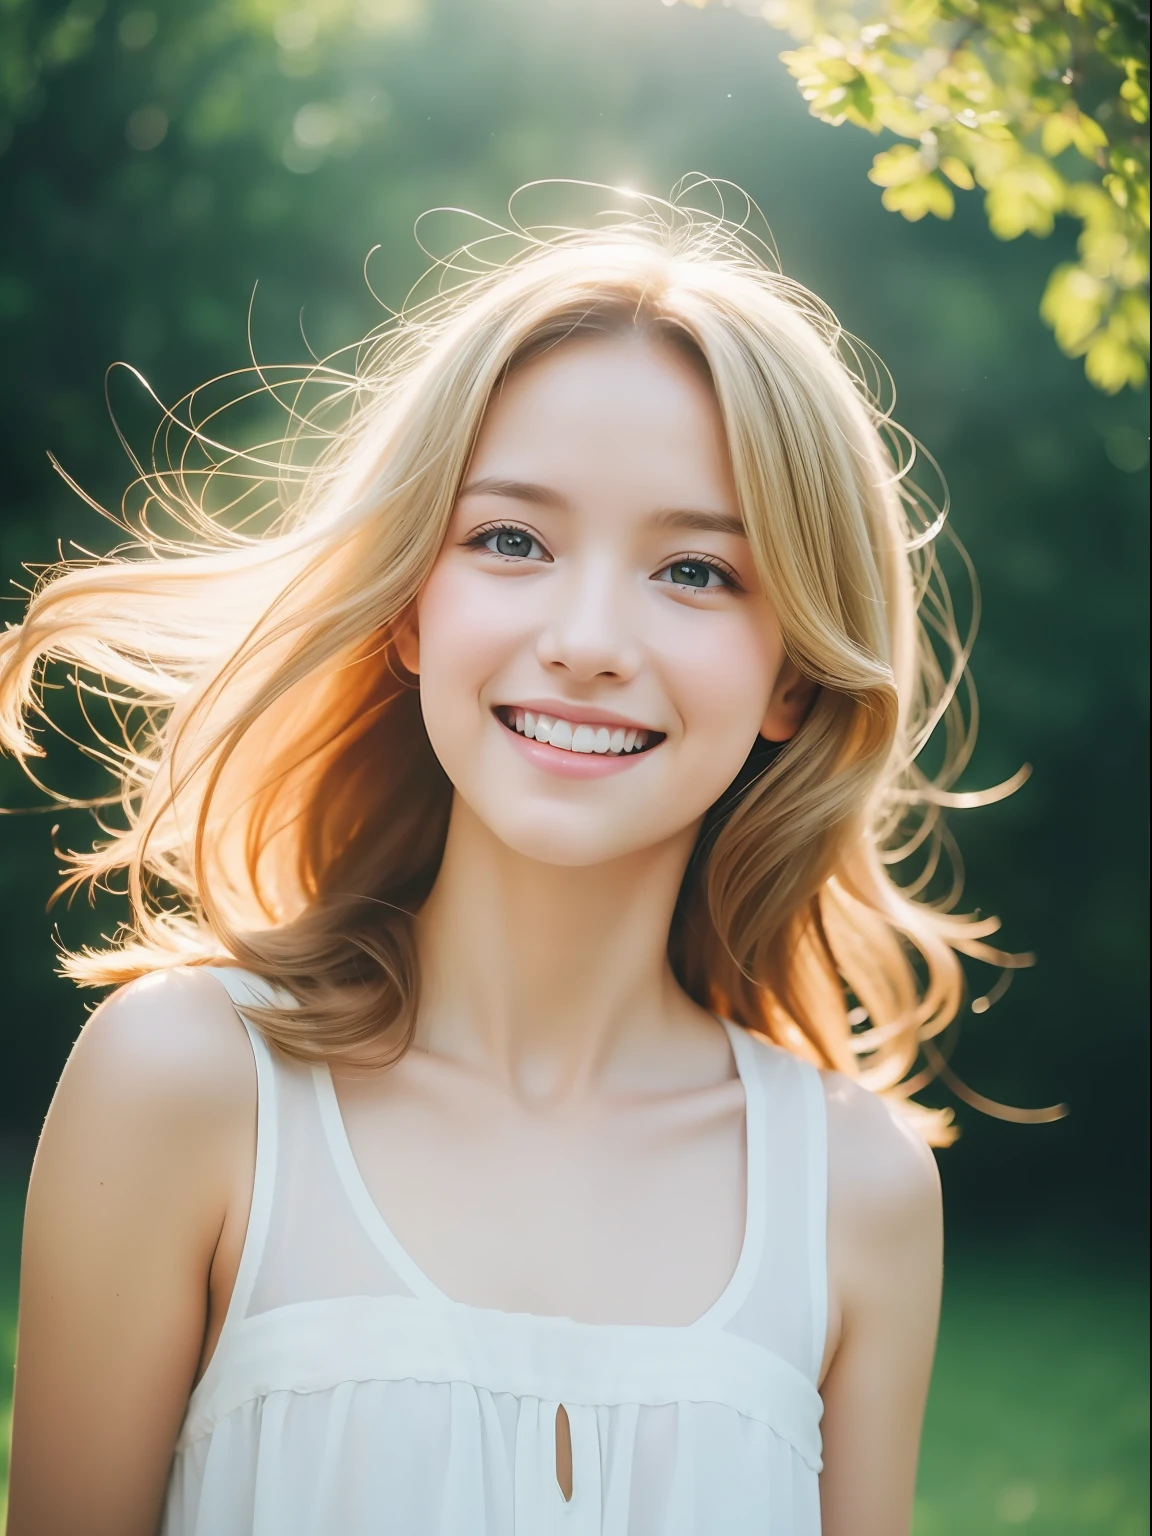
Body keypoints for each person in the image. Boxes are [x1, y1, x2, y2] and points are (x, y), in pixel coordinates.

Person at [2, 188, 1004, 1535]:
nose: (589, 636)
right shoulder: (182, 1086)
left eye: (698, 571)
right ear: (415, 606)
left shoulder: (860, 1194)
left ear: (795, 680)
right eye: (512, 541)